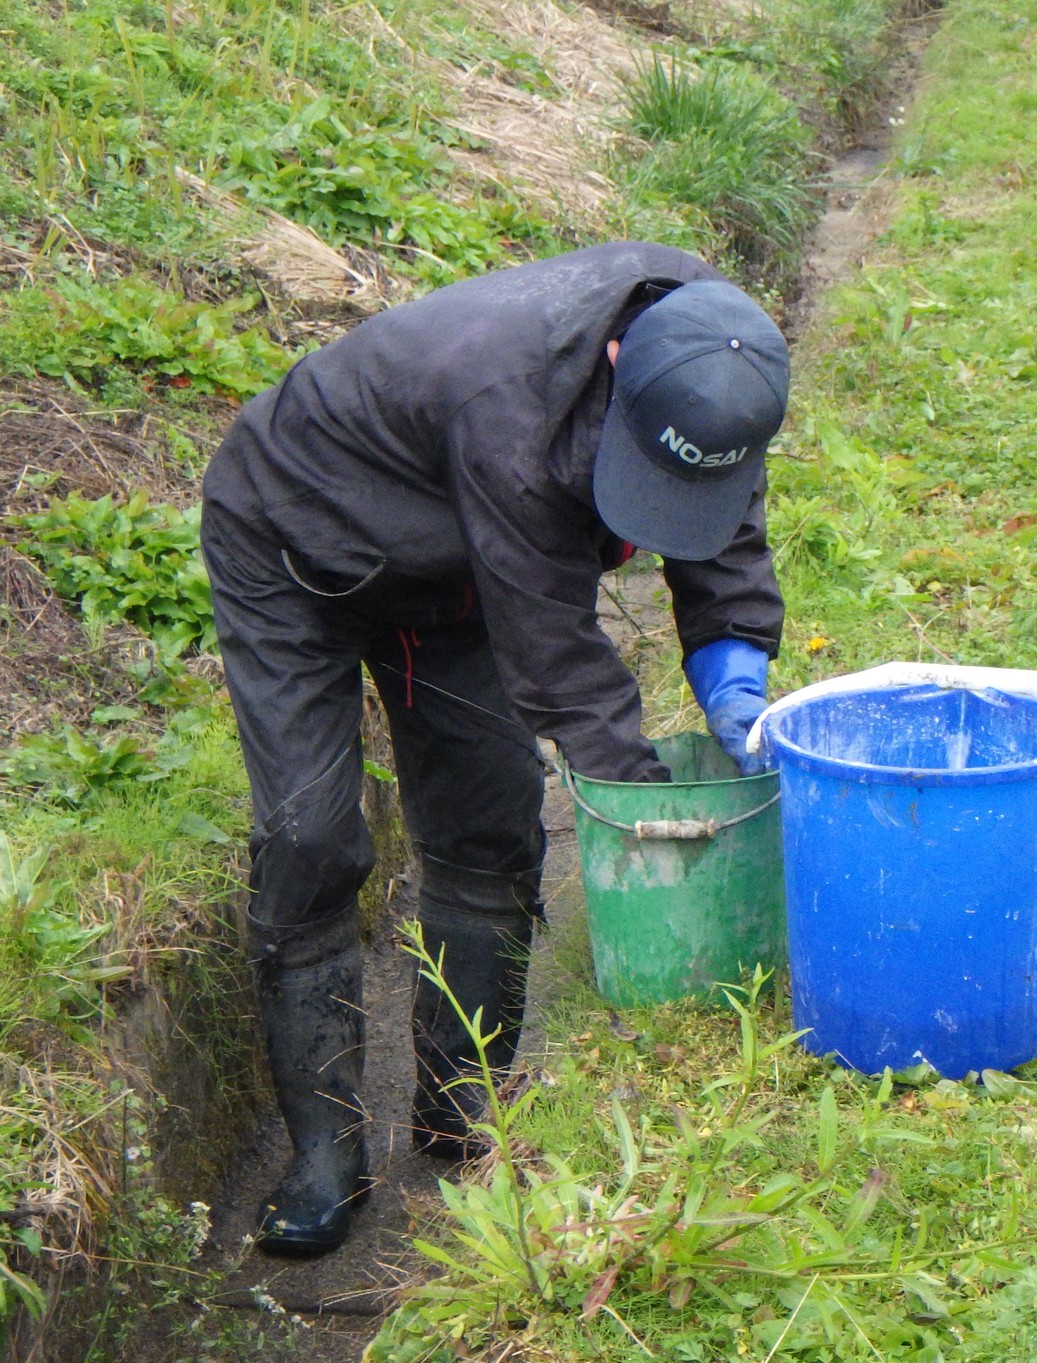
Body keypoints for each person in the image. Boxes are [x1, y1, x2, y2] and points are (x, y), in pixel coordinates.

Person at [200, 241, 789, 1258]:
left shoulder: (712, 360)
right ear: (613, 364)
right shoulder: (508, 401)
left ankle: (459, 1105)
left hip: (453, 575)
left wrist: (738, 677)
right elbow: (557, 652)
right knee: (313, 839)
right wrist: (650, 813)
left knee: (493, 827)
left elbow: (722, 521)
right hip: (296, 550)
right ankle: (327, 1155)